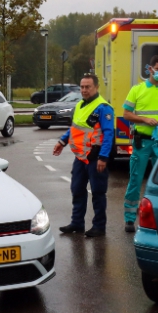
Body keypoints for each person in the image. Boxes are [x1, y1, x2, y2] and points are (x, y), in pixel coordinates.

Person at [122, 55, 158, 232]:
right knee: (135, 179)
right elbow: (126, 114)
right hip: (141, 142)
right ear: (150, 69)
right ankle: (130, 218)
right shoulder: (137, 90)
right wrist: (144, 120)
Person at [53, 74, 115, 237]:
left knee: (98, 192)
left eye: (88, 87)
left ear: (96, 87)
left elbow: (108, 134)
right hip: (80, 157)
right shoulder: (80, 105)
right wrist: (62, 141)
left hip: (95, 157)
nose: (84, 90)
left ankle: (99, 226)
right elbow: (75, 128)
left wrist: (103, 157)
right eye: (82, 87)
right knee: (77, 190)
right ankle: (77, 223)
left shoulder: (103, 107)